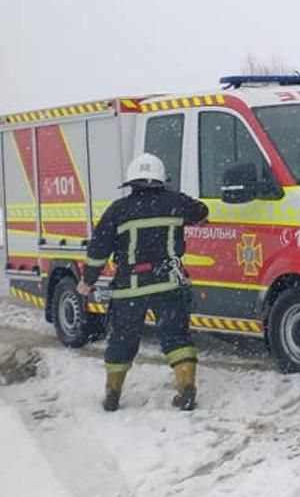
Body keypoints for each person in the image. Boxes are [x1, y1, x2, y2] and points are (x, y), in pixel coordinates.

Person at [77, 153, 209, 412]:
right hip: (168, 283)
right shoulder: (175, 202)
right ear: (161, 179)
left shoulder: (119, 210)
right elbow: (202, 212)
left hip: (129, 288)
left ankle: (113, 393)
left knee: (123, 340)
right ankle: (186, 389)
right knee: (177, 337)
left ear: (131, 182)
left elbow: (98, 249)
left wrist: (87, 280)